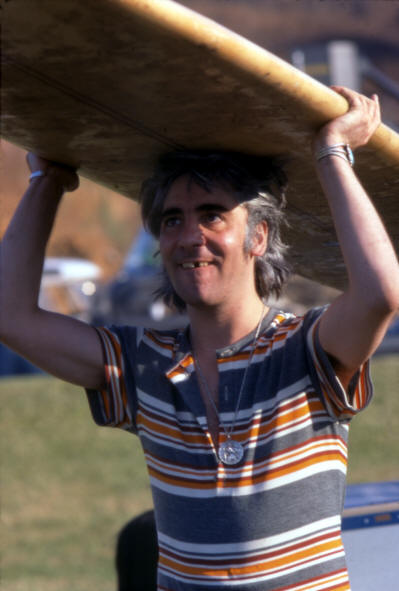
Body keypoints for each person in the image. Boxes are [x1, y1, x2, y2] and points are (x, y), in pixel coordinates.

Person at [1, 86, 398, 591]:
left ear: (257, 236)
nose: (190, 236)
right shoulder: (143, 364)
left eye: (212, 214)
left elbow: (380, 293)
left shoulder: (307, 350)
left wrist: (333, 154)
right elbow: (10, 315)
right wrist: (47, 179)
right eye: (172, 220)